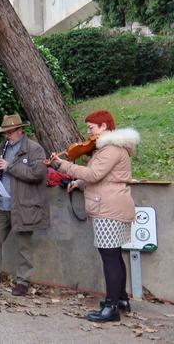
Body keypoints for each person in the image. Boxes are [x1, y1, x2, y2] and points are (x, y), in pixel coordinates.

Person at [49, 110, 139, 322]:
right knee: (114, 255)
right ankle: (121, 300)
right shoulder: (111, 148)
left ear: (104, 126)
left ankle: (111, 307)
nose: (88, 132)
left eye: (91, 127)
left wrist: (62, 165)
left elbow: (94, 174)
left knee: (110, 258)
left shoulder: (110, 149)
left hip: (108, 208)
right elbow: (104, 178)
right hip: (112, 205)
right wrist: (79, 183)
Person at [0, 114, 47, 296]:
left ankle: (23, 282)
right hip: (1, 205)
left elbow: (38, 174)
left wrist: (9, 167)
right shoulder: (2, 148)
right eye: (4, 133)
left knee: (24, 247)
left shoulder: (34, 149)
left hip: (23, 207)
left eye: (9, 132)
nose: (6, 136)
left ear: (20, 130)